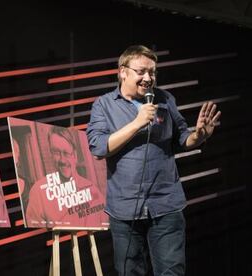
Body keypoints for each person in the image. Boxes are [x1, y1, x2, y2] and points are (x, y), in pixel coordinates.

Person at [86, 45, 221, 276]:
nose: (148, 78)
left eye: (153, 72)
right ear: (123, 72)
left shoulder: (165, 99)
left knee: (171, 272)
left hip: (166, 204)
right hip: (125, 208)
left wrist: (199, 136)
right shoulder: (104, 105)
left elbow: (182, 139)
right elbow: (98, 147)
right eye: (141, 72)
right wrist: (137, 123)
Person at [25, 126, 106, 228]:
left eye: (67, 153)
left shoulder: (92, 190)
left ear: (75, 156)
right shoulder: (38, 193)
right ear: (50, 154)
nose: (62, 160)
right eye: (56, 152)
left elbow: (105, 224)